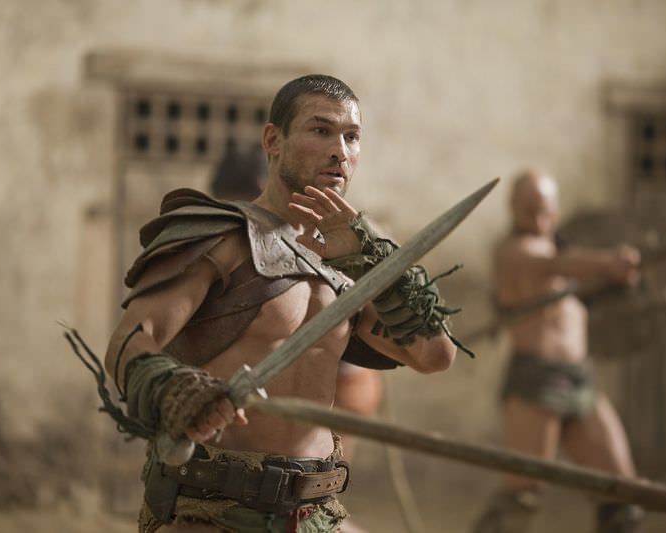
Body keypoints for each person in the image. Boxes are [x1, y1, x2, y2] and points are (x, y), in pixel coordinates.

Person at [102, 75, 463, 533]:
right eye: (321, 130)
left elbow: (435, 355)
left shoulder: (353, 263)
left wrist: (374, 255)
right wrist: (176, 389)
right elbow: (128, 343)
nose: (339, 151)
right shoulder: (220, 237)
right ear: (273, 140)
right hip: (210, 509)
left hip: (315, 512)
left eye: (352, 137)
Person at [472, 169, 643, 533]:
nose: (538, 220)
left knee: (622, 492)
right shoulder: (513, 251)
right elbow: (552, 265)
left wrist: (614, 280)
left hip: (580, 378)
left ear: (556, 209)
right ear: (513, 207)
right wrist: (608, 263)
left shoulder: (561, 247)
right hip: (537, 382)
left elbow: (571, 272)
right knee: (523, 496)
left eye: (545, 211)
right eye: (529, 210)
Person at [209, 143, 385, 463]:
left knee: (331, 460)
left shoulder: (329, 233)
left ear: (263, 190)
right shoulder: (231, 241)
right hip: (262, 410)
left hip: (343, 382)